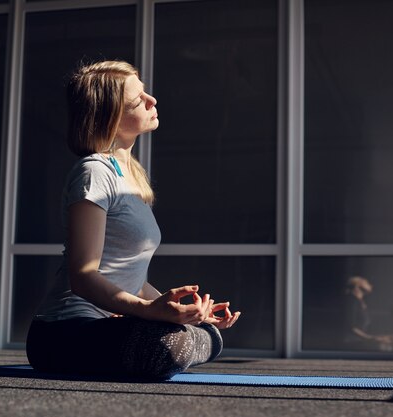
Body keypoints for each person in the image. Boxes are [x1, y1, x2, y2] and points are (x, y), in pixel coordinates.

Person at [26, 60, 241, 380]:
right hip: (62, 333)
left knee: (206, 335)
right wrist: (151, 313)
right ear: (110, 117)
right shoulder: (93, 172)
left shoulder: (132, 177)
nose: (152, 100)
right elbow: (83, 277)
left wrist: (190, 315)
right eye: (139, 100)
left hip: (111, 324)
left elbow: (132, 279)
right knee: (169, 345)